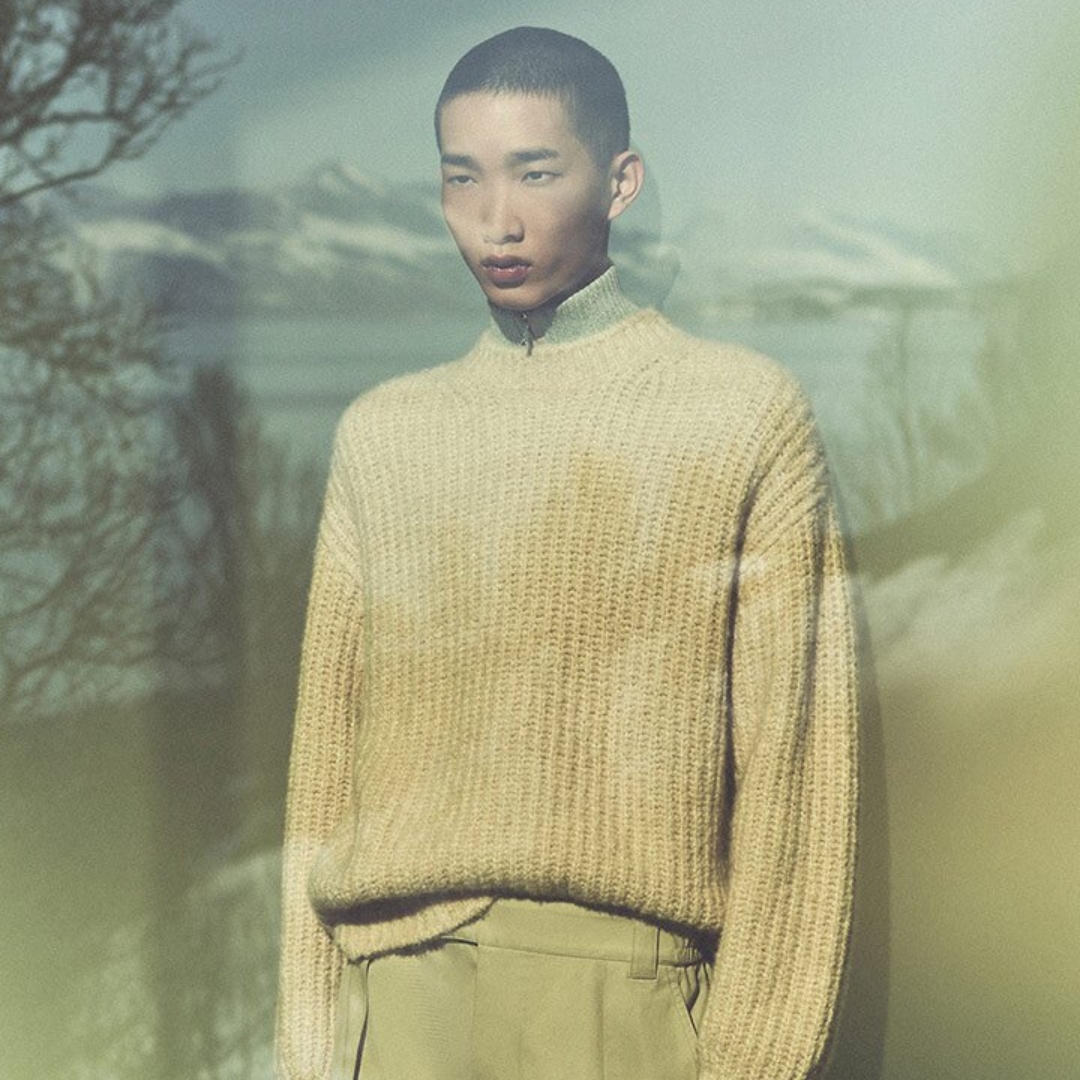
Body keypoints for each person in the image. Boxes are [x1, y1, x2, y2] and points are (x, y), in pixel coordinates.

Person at [276, 26, 858, 1080]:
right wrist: (312, 1049)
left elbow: (798, 769)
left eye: (536, 173)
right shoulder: (384, 433)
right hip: (398, 1005)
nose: (496, 220)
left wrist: (748, 1058)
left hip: (620, 1006)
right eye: (464, 179)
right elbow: (324, 775)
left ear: (621, 180)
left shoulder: (740, 412)